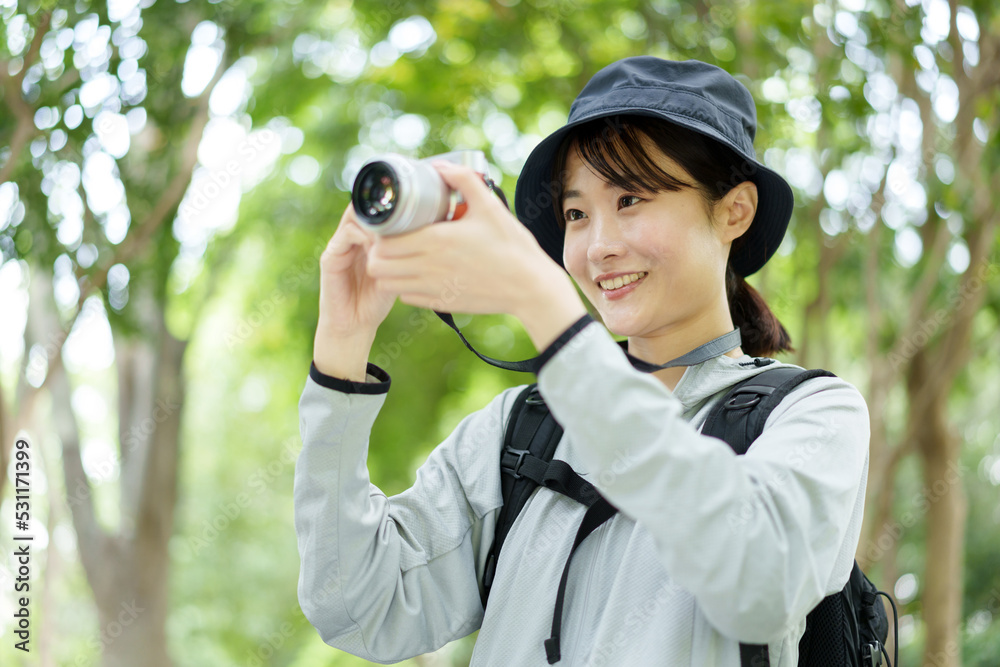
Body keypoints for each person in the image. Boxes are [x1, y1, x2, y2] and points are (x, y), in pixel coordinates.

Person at [294, 56, 870, 666]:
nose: (598, 247)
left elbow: (758, 584)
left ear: (735, 211)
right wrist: (341, 350)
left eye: (630, 199)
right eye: (576, 214)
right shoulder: (517, 430)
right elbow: (358, 610)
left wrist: (543, 307)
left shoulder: (812, 414)